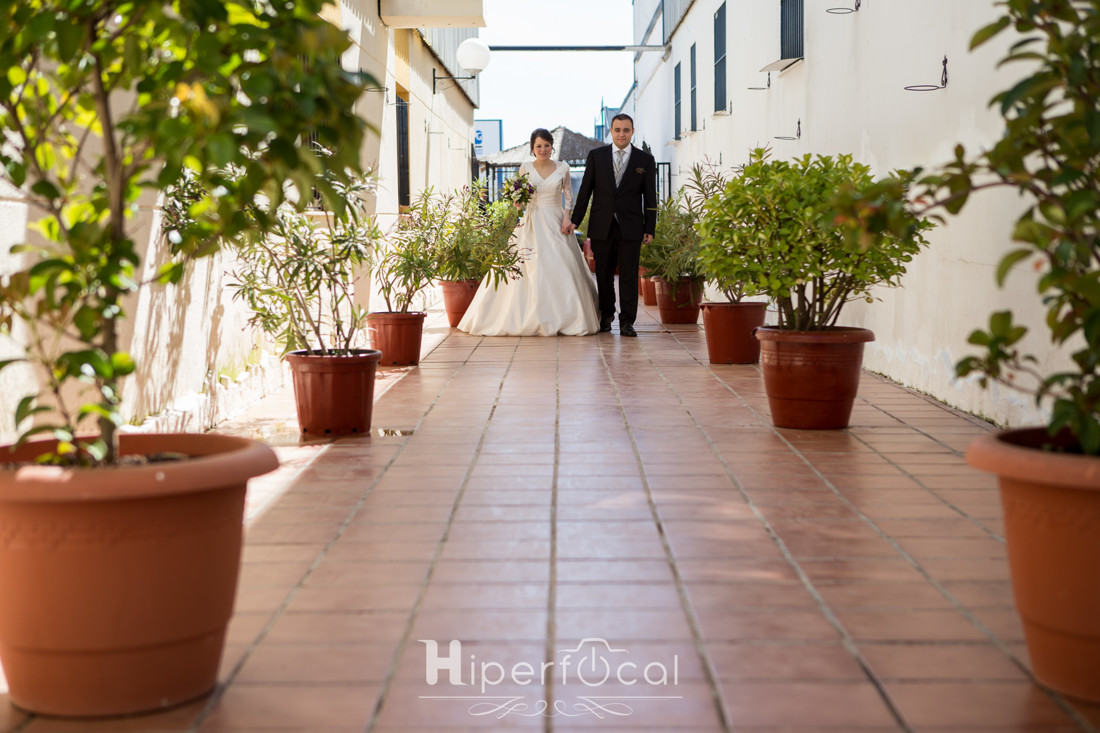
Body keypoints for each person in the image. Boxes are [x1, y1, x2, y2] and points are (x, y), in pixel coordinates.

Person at [458, 129, 600, 336]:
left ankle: (567, 316)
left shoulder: (563, 168)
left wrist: (567, 217)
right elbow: (518, 200)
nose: (543, 149)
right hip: (532, 221)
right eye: (538, 146)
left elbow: (568, 196)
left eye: (546, 145)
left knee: (561, 265)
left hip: (555, 220)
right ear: (532, 148)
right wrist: (517, 201)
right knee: (525, 264)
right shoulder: (525, 168)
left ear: (552, 146)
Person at [567, 114, 657, 337]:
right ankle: (606, 316)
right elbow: (585, 191)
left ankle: (627, 321)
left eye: (626, 130)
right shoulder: (596, 156)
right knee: (604, 274)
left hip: (632, 226)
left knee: (628, 275)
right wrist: (574, 220)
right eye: (617, 130)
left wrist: (650, 227)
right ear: (611, 131)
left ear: (632, 132)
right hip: (601, 225)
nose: (621, 134)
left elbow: (650, 197)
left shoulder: (644, 160)